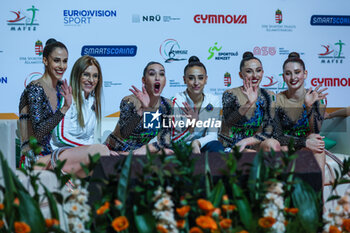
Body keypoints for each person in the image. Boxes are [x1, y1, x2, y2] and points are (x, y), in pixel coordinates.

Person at [19, 39, 109, 177]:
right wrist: (64, 109)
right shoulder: (35, 89)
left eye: (65, 61)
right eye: (56, 60)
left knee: (105, 158)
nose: (62, 66)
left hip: (55, 154)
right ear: (45, 61)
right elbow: (39, 133)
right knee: (100, 153)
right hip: (34, 158)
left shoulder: (63, 88)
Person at [273, 52, 327, 181]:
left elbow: (316, 130)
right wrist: (304, 142)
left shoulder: (316, 98)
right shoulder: (276, 100)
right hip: (286, 145)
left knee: (316, 138)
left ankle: (318, 197)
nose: (293, 77)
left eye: (297, 72)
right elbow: (277, 136)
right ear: (283, 76)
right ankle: (287, 196)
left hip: (307, 145)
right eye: (288, 73)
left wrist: (308, 107)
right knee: (282, 147)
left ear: (305, 74)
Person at [104, 62, 173, 155]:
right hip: (115, 152)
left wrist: (148, 148)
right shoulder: (130, 101)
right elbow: (125, 133)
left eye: (161, 74)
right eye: (152, 74)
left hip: (139, 153)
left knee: (168, 152)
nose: (157, 78)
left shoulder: (166, 105)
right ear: (144, 80)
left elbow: (165, 141)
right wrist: (142, 109)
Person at [219, 52, 277, 152]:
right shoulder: (230, 93)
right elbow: (229, 121)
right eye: (249, 71)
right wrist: (249, 103)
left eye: (258, 71)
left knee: (272, 144)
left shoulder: (269, 95)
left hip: (255, 142)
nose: (255, 75)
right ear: (241, 75)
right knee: (250, 154)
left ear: (262, 72)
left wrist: (247, 141)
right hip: (233, 144)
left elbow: (269, 130)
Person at [171, 56, 223, 153]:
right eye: (191, 78)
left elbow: (212, 135)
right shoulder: (177, 101)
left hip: (202, 144)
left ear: (206, 79)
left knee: (216, 146)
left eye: (200, 78)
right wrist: (191, 128)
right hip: (183, 146)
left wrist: (197, 143)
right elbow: (173, 141)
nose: (196, 83)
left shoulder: (213, 100)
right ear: (184, 79)